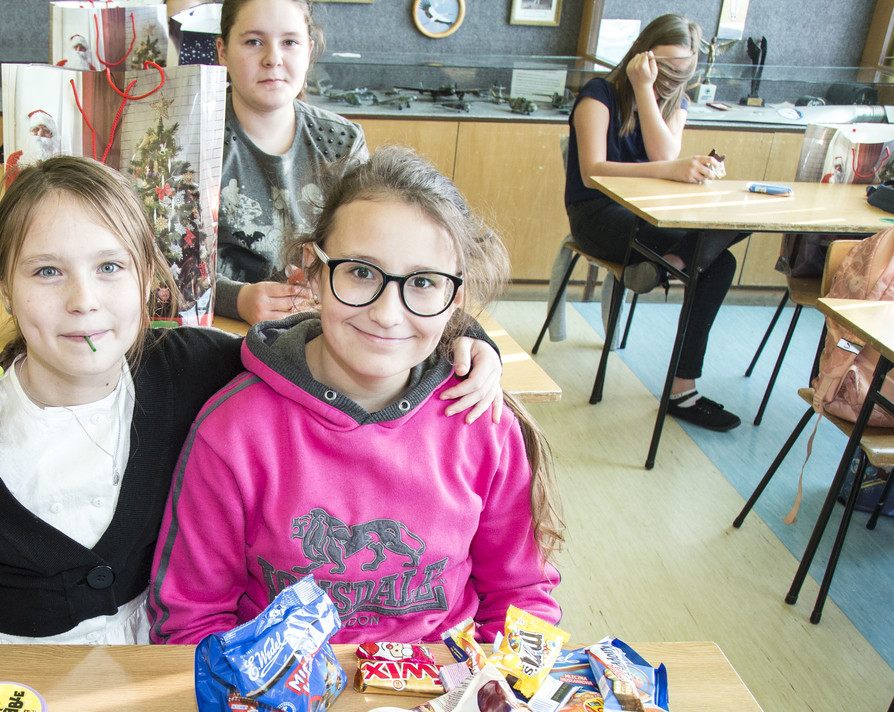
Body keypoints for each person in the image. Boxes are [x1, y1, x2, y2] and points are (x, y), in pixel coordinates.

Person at [0, 155, 504, 694]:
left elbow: (339, 339)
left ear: (148, 280)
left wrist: (465, 339)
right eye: (47, 272)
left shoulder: (191, 369)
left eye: (110, 268)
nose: (83, 301)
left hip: (144, 673)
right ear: (3, 284)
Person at [148, 147, 562, 647]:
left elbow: (522, 597)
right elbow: (192, 621)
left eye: (423, 282)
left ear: (454, 297)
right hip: (276, 685)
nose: (387, 314)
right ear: (313, 271)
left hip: (446, 683)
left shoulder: (482, 421)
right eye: (361, 272)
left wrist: (496, 687)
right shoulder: (232, 432)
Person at [565, 14, 744, 432]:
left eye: (682, 71)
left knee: (722, 259)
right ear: (641, 55)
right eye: (664, 69)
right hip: (597, 215)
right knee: (715, 259)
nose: (670, 80)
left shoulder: (676, 101)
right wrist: (642, 87)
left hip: (649, 217)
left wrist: (652, 97)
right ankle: (670, 264)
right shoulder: (599, 94)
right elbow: (592, 172)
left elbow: (664, 155)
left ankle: (668, 269)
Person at [214, 0, 368, 325]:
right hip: (221, 329)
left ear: (308, 51)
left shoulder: (343, 143)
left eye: (289, 42)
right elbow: (155, 262)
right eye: (253, 41)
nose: (273, 58)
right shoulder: (189, 139)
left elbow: (376, 246)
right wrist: (237, 299)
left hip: (321, 326)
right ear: (223, 51)